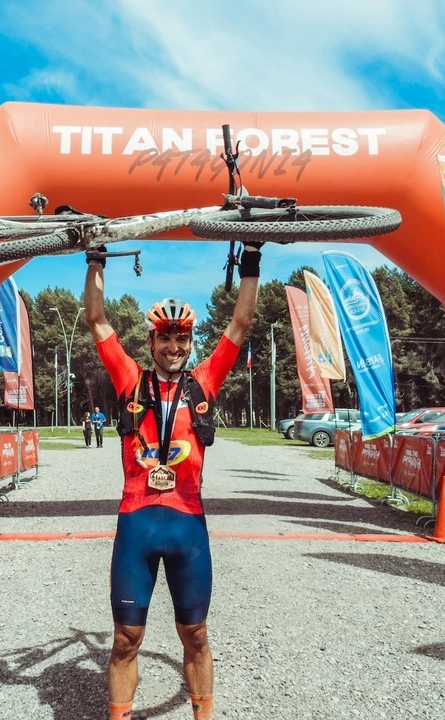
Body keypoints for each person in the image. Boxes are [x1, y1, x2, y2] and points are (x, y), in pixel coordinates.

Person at [84, 242, 262, 720]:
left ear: (190, 341)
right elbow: (98, 319)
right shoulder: (130, 380)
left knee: (197, 634)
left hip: (188, 526)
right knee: (126, 639)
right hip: (136, 523)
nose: (174, 347)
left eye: (182, 339)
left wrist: (252, 257)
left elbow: (240, 323)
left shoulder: (204, 380)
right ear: (152, 343)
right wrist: (95, 260)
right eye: (165, 339)